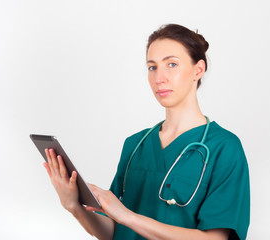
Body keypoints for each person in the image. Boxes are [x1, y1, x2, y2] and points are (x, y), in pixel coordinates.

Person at [43, 23, 250, 240]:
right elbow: (114, 231)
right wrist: (73, 205)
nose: (159, 78)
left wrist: (129, 217)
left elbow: (217, 238)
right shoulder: (135, 145)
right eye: (152, 67)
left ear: (198, 70)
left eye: (172, 64)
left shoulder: (224, 148)